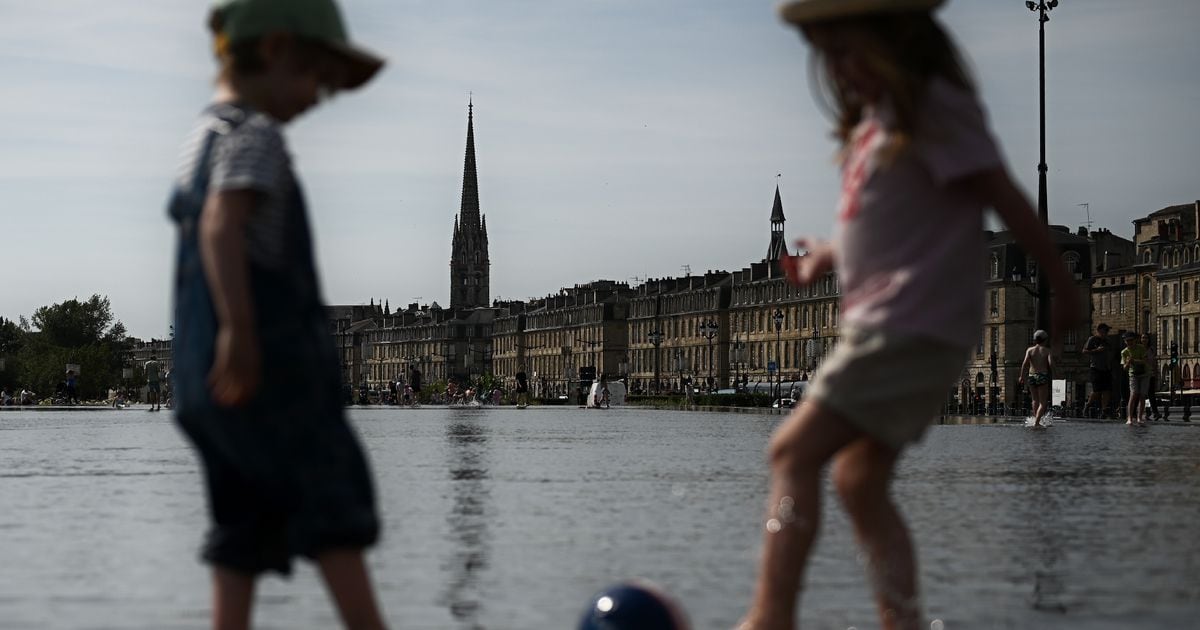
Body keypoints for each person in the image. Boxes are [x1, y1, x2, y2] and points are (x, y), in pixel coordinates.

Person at [738, 2, 1083, 629]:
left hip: (904, 328)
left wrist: (1061, 283)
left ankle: (769, 619)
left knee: (791, 452)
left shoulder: (932, 109)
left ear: (896, 39)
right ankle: (903, 620)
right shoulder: (876, 129)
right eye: (828, 56)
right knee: (858, 482)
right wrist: (827, 257)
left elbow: (1002, 193)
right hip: (904, 329)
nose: (838, 69)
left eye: (848, 50)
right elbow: (888, 230)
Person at [166, 1, 387, 628]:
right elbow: (220, 224)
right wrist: (239, 326)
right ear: (276, 52)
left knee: (241, 532)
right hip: (275, 380)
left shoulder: (198, 139)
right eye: (315, 77)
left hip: (205, 389)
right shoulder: (253, 136)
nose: (319, 98)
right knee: (336, 515)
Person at [1018, 330, 1054, 429]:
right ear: (1045, 340)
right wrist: (1056, 372)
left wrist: (1021, 376)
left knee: (1034, 400)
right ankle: (1037, 422)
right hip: (1042, 375)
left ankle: (1036, 419)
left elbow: (1024, 364)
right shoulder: (1047, 350)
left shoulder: (1030, 350)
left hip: (1031, 375)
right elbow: (1050, 364)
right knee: (1043, 402)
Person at [1083, 323, 1113, 418]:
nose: (1107, 333)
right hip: (1095, 368)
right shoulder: (1092, 339)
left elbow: (1110, 352)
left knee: (1107, 390)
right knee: (1096, 391)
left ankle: (1104, 410)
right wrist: (1097, 350)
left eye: (1107, 331)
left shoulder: (1108, 341)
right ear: (1099, 331)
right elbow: (1084, 351)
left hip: (1106, 368)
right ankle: (1087, 406)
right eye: (1105, 331)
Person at [1121, 331, 1150, 426]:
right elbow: (1124, 368)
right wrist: (1128, 363)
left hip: (1144, 373)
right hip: (1133, 374)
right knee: (1133, 394)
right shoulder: (1124, 352)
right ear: (1125, 342)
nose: (1129, 343)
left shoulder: (1141, 348)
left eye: (1131, 340)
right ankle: (1129, 418)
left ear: (1135, 340)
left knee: (1142, 395)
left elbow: (1145, 361)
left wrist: (1134, 360)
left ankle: (1139, 417)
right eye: (1127, 341)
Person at [1142, 333, 1162, 420]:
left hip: (1150, 374)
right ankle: (1145, 412)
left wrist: (1156, 373)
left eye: (1146, 338)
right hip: (1141, 374)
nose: (1144, 339)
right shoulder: (1139, 348)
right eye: (1143, 338)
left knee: (1151, 394)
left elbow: (1154, 361)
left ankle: (1154, 412)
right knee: (1142, 394)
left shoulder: (1152, 349)